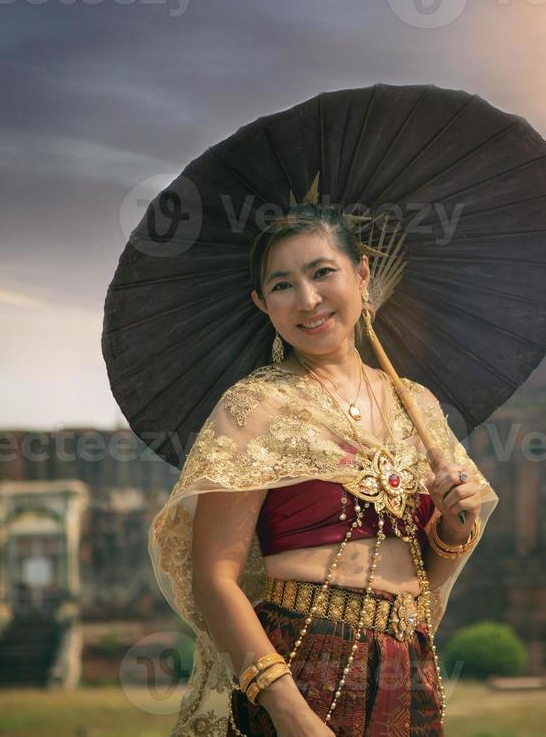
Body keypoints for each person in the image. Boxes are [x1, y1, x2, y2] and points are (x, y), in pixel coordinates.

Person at [148, 202, 499, 736]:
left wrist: (454, 524)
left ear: (361, 274)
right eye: (283, 285)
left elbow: (426, 576)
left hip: (409, 665)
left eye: (322, 273)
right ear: (261, 303)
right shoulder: (256, 406)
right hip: (302, 661)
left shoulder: (415, 405)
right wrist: (288, 713)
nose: (308, 300)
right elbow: (214, 579)